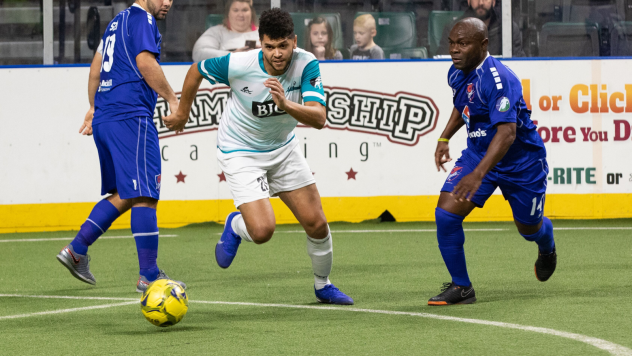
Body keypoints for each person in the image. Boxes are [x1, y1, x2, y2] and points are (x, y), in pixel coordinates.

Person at [163, 8, 354, 305]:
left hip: (283, 148)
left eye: (283, 46)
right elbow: (195, 70)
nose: (276, 54)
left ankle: (322, 285)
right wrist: (182, 112)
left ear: (293, 41)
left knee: (317, 223)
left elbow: (319, 119)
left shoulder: (306, 64)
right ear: (260, 42)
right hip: (240, 151)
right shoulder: (239, 63)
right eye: (269, 46)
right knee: (263, 231)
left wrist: (286, 103)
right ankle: (235, 225)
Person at [56, 0, 186, 293]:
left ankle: (77, 249)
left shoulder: (116, 23)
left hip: (106, 118)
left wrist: (93, 107)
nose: (168, 2)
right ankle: (149, 275)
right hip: (131, 117)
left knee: (125, 192)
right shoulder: (143, 19)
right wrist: (173, 99)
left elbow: (95, 69)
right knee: (144, 193)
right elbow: (145, 62)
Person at [429, 18, 556, 305]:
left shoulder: (500, 79)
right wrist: (444, 138)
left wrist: (478, 175)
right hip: (479, 153)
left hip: (522, 162)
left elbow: (508, 133)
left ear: (483, 44)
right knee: (446, 215)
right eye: (451, 42)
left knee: (529, 229)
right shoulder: (457, 72)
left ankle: (546, 246)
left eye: (463, 43)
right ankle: (462, 287)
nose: (454, 49)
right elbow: (463, 104)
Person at [436, 0, 525, 57]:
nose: (481, 3)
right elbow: (442, 64)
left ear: (493, 1)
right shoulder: (453, 30)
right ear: (468, 1)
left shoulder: (508, 29)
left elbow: (519, 64)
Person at [192, 0, 260, 62]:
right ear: (228, 13)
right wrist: (232, 55)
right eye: (235, 10)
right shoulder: (216, 32)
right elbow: (198, 53)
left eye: (245, 10)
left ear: (252, 13)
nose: (241, 14)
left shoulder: (263, 33)